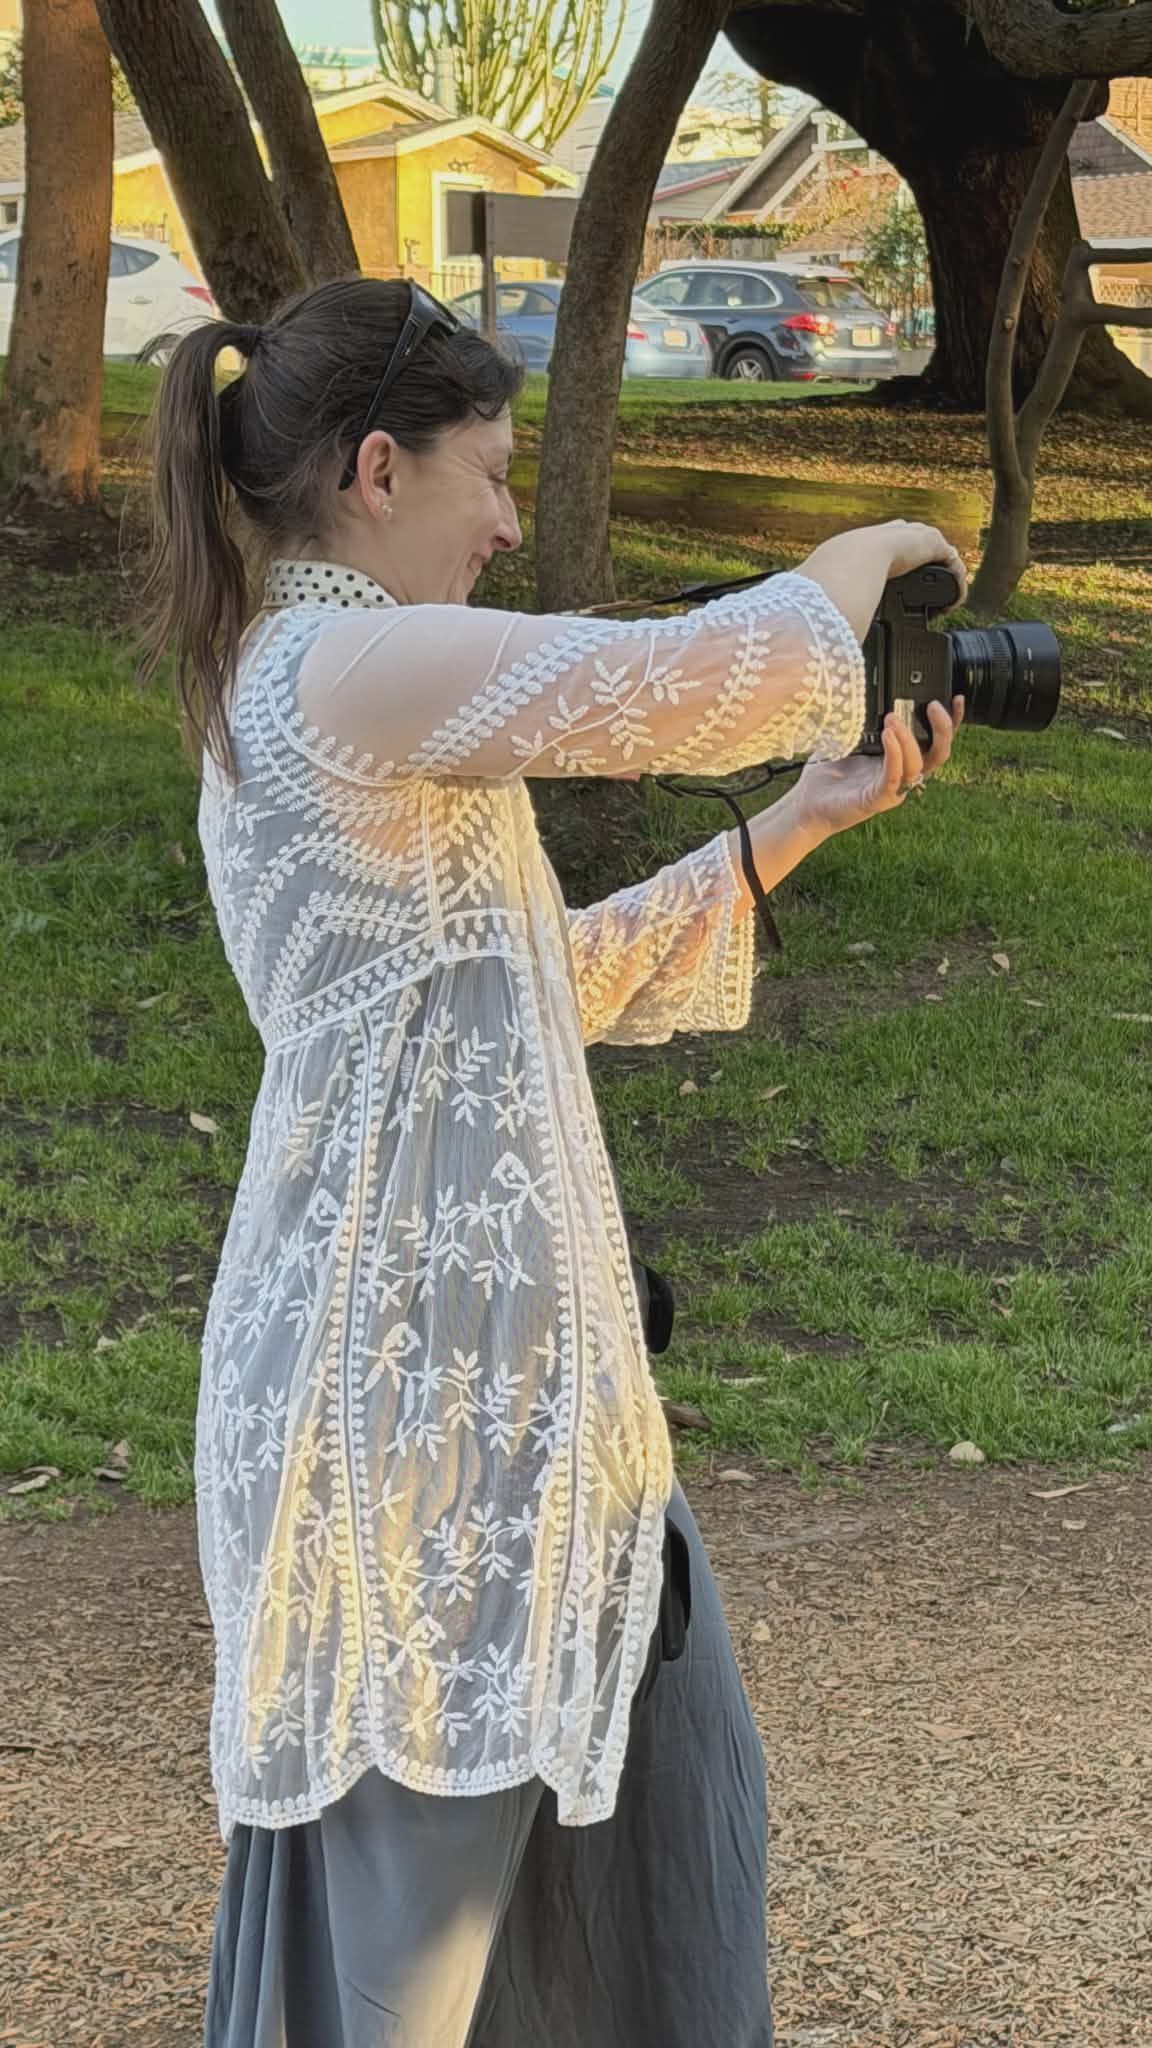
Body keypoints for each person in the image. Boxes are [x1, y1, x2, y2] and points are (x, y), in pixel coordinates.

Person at [142, 277, 965, 2048]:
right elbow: (687, 681)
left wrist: (802, 820)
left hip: (538, 1415)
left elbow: (534, 980)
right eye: (490, 475)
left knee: (666, 1853)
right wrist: (871, 545)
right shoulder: (338, 662)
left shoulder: (354, 682)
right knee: (401, 1971)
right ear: (378, 469)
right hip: (415, 1434)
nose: (512, 518)